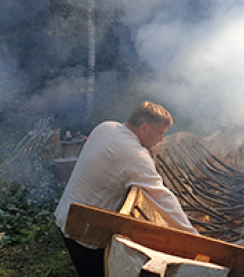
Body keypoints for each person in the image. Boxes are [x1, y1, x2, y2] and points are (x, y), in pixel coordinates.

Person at [54, 101, 198, 277]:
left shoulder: (105, 127)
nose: (161, 140)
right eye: (160, 134)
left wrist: (146, 152)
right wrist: (194, 236)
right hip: (85, 231)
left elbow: (121, 162)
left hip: (65, 213)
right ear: (144, 128)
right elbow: (164, 199)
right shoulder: (135, 156)